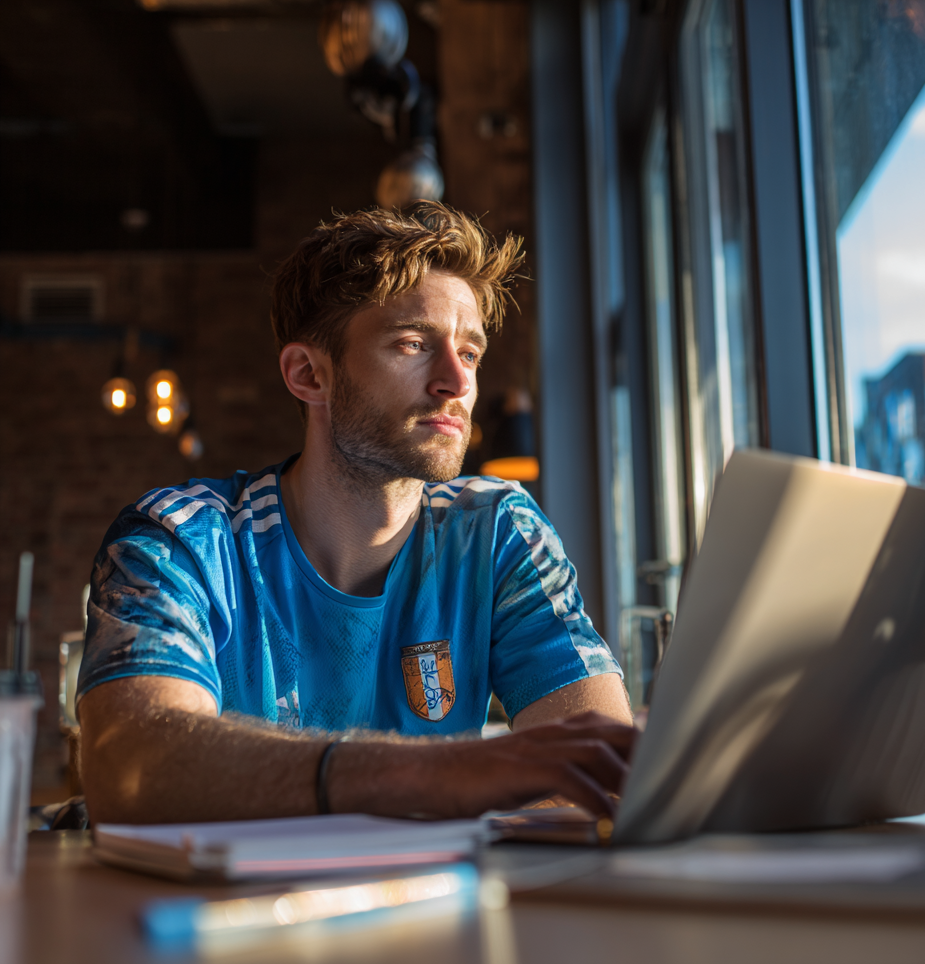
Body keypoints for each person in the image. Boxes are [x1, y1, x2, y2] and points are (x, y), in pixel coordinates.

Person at [77, 202, 635, 825]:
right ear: (309, 374)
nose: (456, 381)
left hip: (431, 911)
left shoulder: (495, 533)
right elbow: (127, 766)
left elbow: (603, 773)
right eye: (413, 343)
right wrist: (429, 776)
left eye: (471, 353)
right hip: (221, 916)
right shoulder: (180, 540)